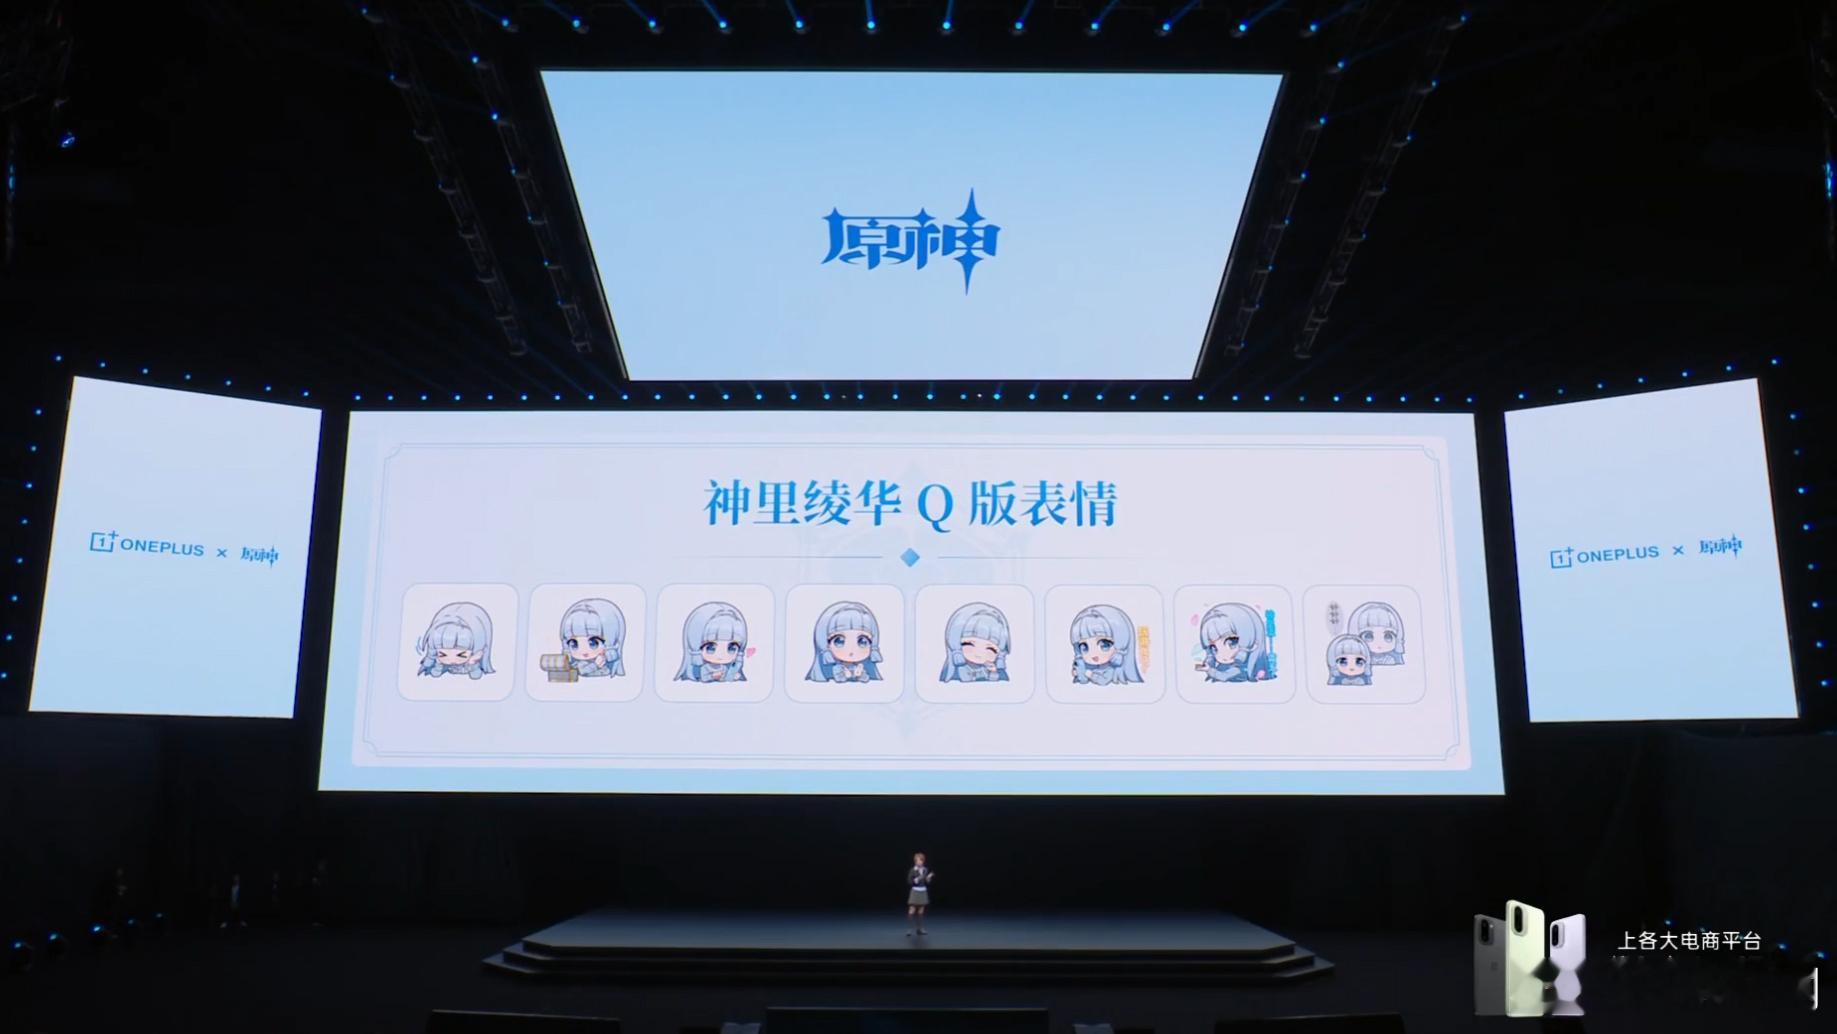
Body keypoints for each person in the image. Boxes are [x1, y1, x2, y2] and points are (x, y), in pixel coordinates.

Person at [906, 852, 935, 937]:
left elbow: (927, 882)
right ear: (915, 861)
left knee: (921, 910)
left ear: (923, 861)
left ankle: (919, 929)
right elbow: (909, 881)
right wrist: (917, 879)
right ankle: (909, 929)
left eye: (920, 860)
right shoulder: (913, 870)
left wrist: (929, 877)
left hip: (923, 891)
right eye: (917, 860)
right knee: (912, 910)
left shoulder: (925, 870)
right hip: (915, 891)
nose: (919, 862)